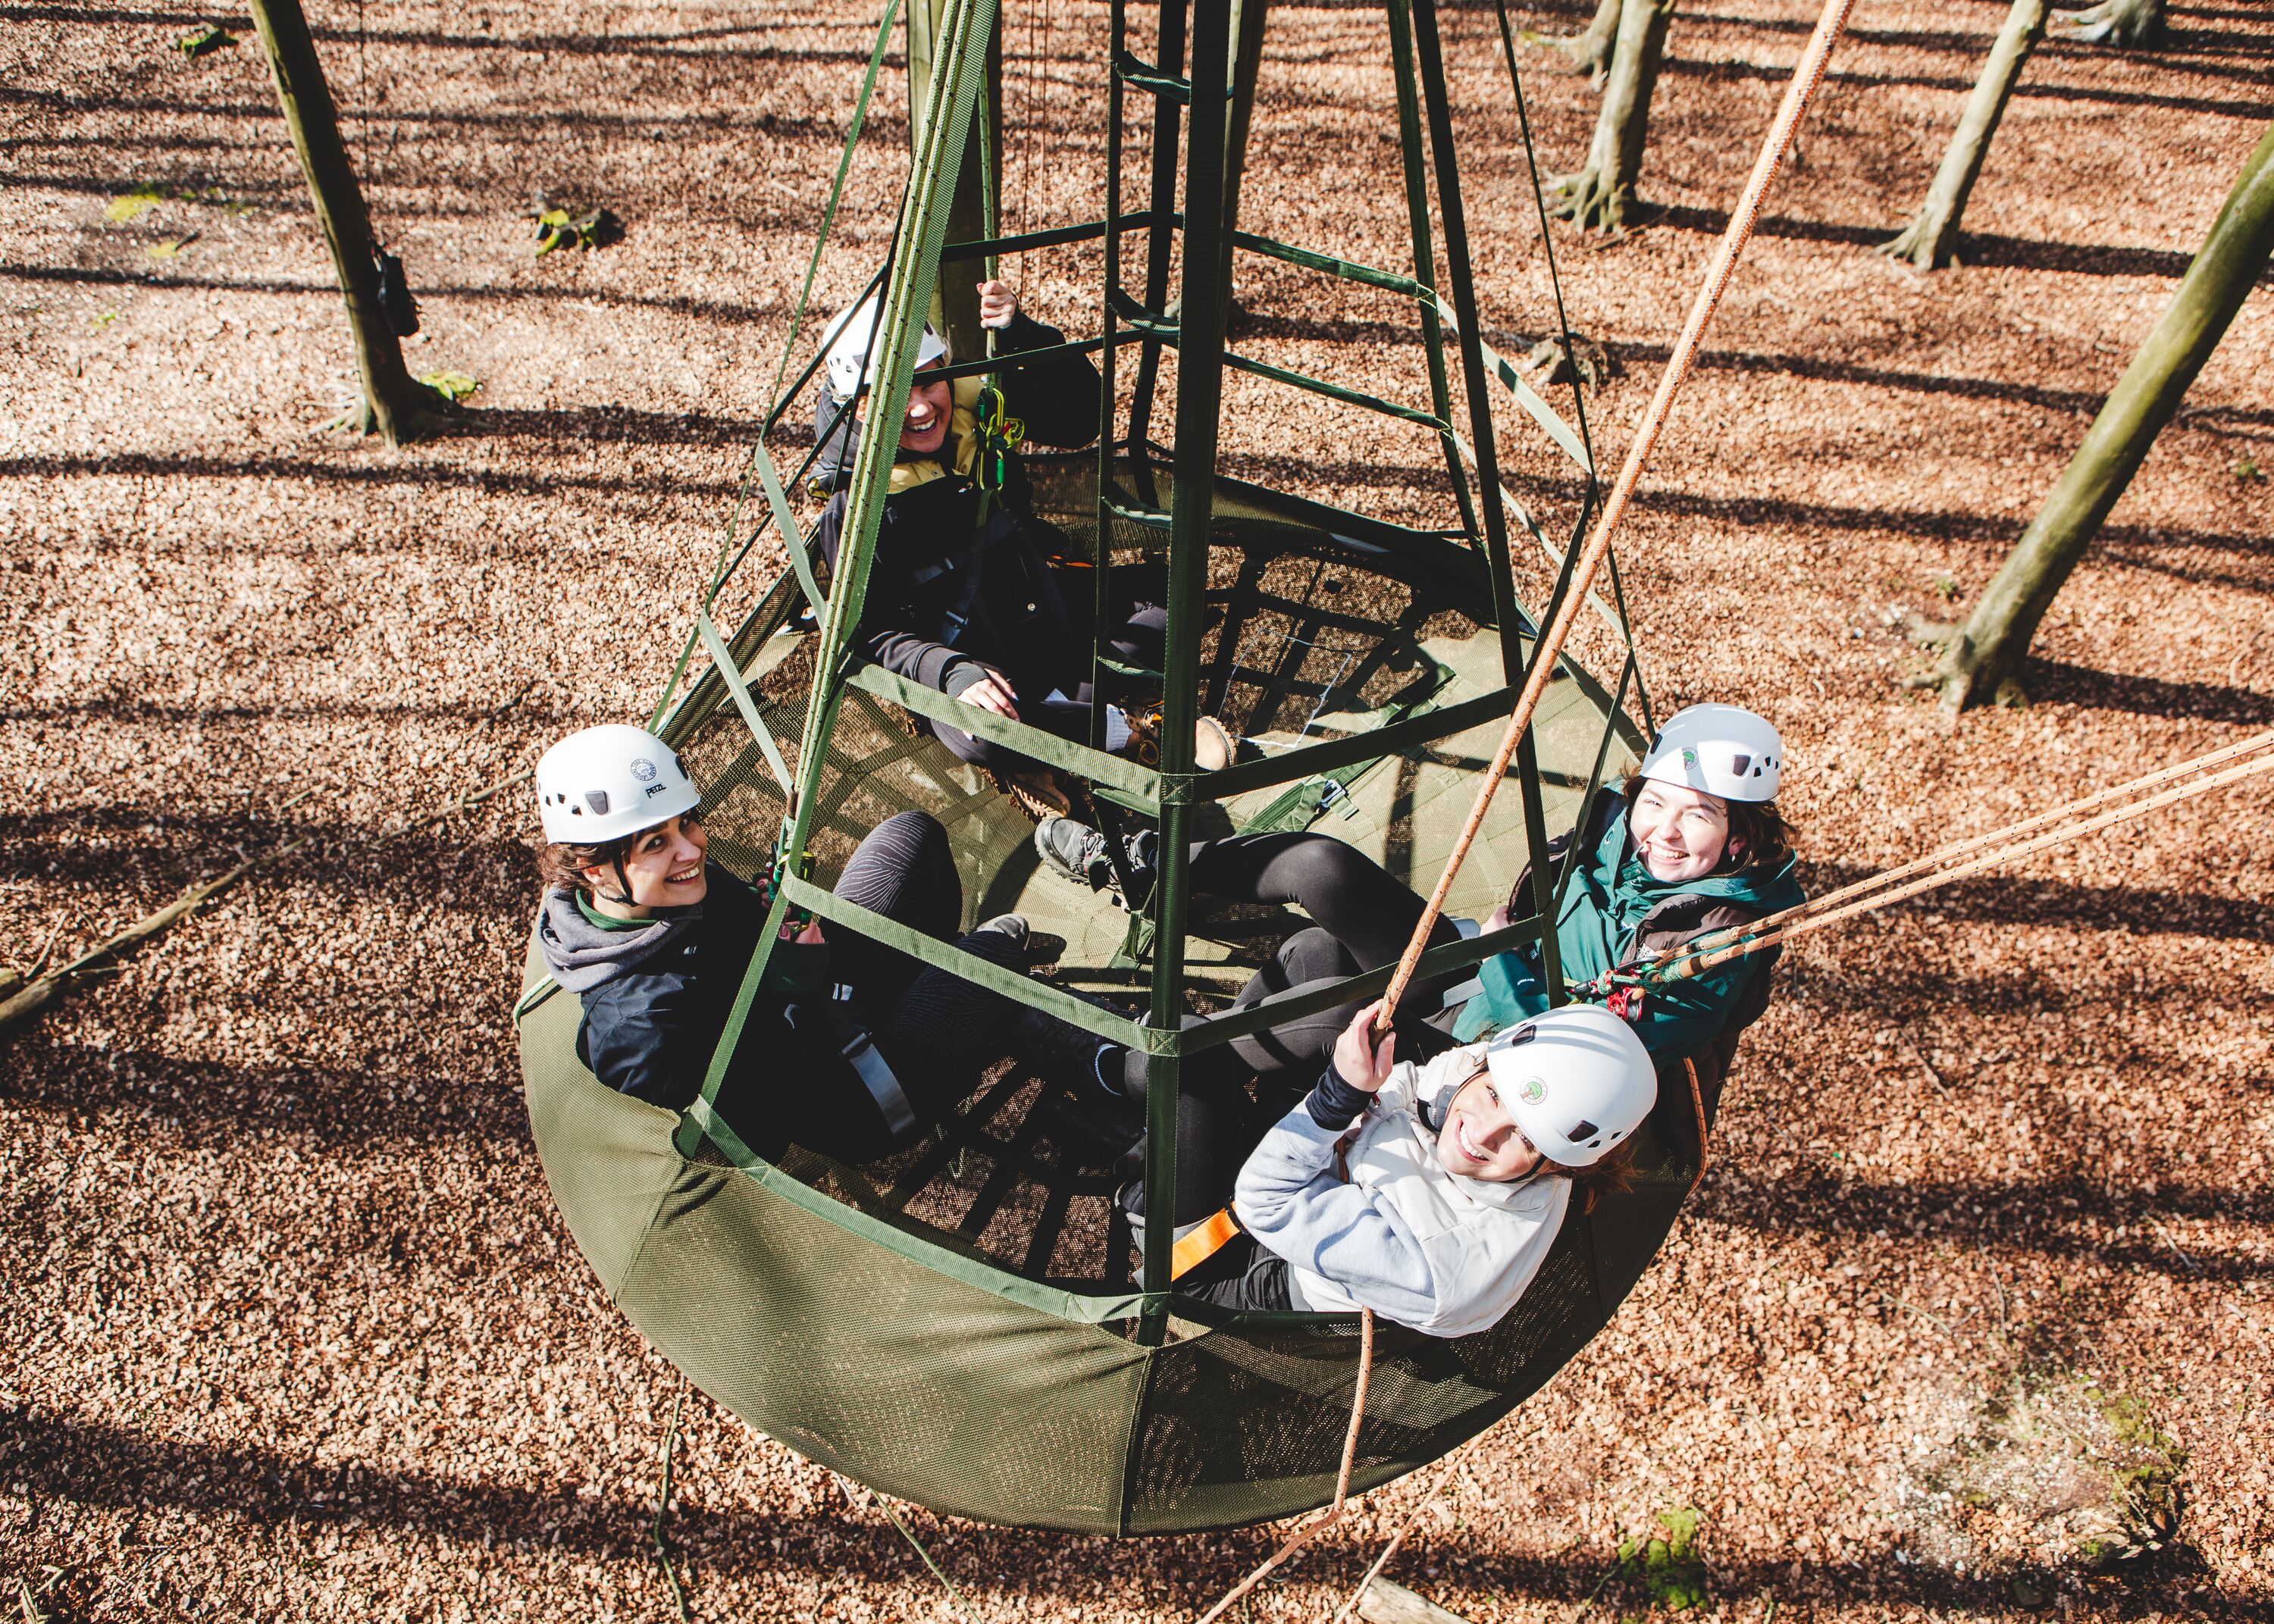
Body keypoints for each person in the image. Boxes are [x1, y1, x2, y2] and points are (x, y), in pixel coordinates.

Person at [1028, 702, 1804, 1119]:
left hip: (1497, 1054)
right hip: (1476, 962)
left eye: (1698, 815)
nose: (1663, 830)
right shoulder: (1614, 822)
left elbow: (1569, 1058)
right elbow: (1538, 892)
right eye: (1656, 802)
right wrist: (1490, 940)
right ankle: (1143, 866)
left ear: (1739, 838)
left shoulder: (1714, 947)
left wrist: (1498, 956)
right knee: (1322, 868)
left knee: (1335, 1010)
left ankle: (1139, 1077)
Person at [531, 724, 1059, 1163]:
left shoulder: (668, 886)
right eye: (655, 843)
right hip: (856, 1090)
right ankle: (976, 1012)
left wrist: (773, 917)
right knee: (1001, 946)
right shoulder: (637, 1031)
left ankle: (940, 999)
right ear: (594, 870)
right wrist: (794, 985)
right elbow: (762, 1133)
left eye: (686, 823)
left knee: (913, 835)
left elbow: (742, 940)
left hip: (834, 985)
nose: (690, 851)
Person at [810, 281, 1229, 814]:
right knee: (983, 730)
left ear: (946, 369)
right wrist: (949, 672)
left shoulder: (979, 410)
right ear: (857, 409)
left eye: (928, 380)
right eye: (893, 396)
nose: (918, 408)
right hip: (976, 658)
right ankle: (1129, 731)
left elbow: (1081, 417)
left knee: (1178, 594)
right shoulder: (854, 504)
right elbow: (870, 631)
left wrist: (1021, 333)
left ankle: (1059, 728)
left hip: (1043, 605)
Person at [1124, 999, 1658, 1335]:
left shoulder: (1440, 1267)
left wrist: (1339, 1101)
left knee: (1186, 1059)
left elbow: (1266, 1202)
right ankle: (1150, 1073)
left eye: (1522, 1137)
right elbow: (1420, 1079)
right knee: (1315, 958)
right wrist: (1360, 1112)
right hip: (1312, 1189)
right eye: (1494, 1095)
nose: (1481, 1133)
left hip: (1236, 1264)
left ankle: (1108, 1076)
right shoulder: (1495, 1082)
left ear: (1558, 1169)